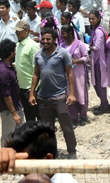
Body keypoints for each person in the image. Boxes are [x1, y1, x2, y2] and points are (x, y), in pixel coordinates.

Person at [28, 28, 78, 159]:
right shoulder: (38, 55)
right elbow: (36, 74)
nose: (45, 41)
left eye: (48, 39)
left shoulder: (63, 54)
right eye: (43, 39)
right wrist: (32, 93)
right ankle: (51, 153)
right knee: (46, 129)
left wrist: (72, 93)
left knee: (66, 126)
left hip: (60, 97)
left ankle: (72, 151)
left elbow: (70, 73)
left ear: (54, 39)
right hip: (43, 98)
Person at [60, 24, 89, 127]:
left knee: (80, 93)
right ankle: (73, 117)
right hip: (67, 74)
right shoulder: (62, 46)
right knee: (70, 93)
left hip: (79, 73)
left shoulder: (80, 44)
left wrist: (76, 61)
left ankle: (83, 116)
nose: (62, 36)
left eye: (64, 33)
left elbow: (86, 58)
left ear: (70, 34)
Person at [0, 38, 23, 147]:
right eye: (14, 51)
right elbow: (6, 95)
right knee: (8, 137)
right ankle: (5, 159)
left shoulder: (8, 67)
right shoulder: (3, 71)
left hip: (15, 107)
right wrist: (14, 113)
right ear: (11, 53)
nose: (15, 53)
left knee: (18, 135)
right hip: (8, 111)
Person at [14, 20, 40, 122]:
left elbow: (37, 68)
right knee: (29, 117)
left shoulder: (33, 46)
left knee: (38, 115)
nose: (17, 33)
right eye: (16, 31)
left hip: (31, 87)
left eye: (19, 31)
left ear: (27, 31)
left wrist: (34, 89)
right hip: (22, 86)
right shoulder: (18, 45)